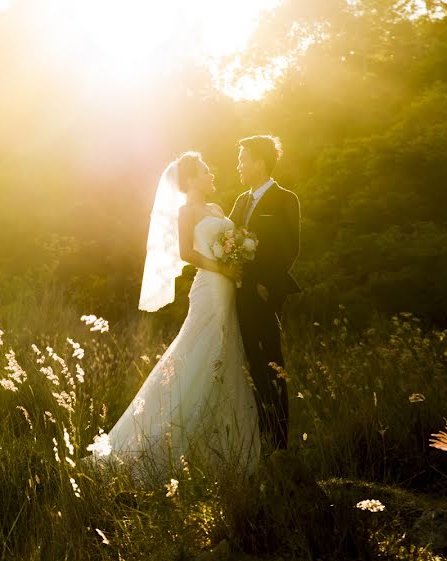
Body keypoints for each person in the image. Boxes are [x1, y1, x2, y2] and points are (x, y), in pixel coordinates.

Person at [93, 152, 260, 481]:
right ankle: (158, 443)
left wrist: (238, 254)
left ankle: (225, 445)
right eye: (205, 171)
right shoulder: (187, 212)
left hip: (228, 287)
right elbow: (187, 253)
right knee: (198, 352)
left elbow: (226, 241)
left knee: (226, 353)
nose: (212, 175)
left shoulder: (215, 209)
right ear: (191, 180)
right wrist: (223, 268)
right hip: (210, 286)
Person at [229, 135, 301, 452]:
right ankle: (261, 440)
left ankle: (280, 442)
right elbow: (228, 237)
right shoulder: (241, 201)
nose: (239, 166)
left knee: (272, 362)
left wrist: (266, 285)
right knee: (251, 364)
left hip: (265, 293)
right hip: (240, 294)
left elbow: (290, 249)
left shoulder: (286, 199)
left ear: (259, 163)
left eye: (243, 160)